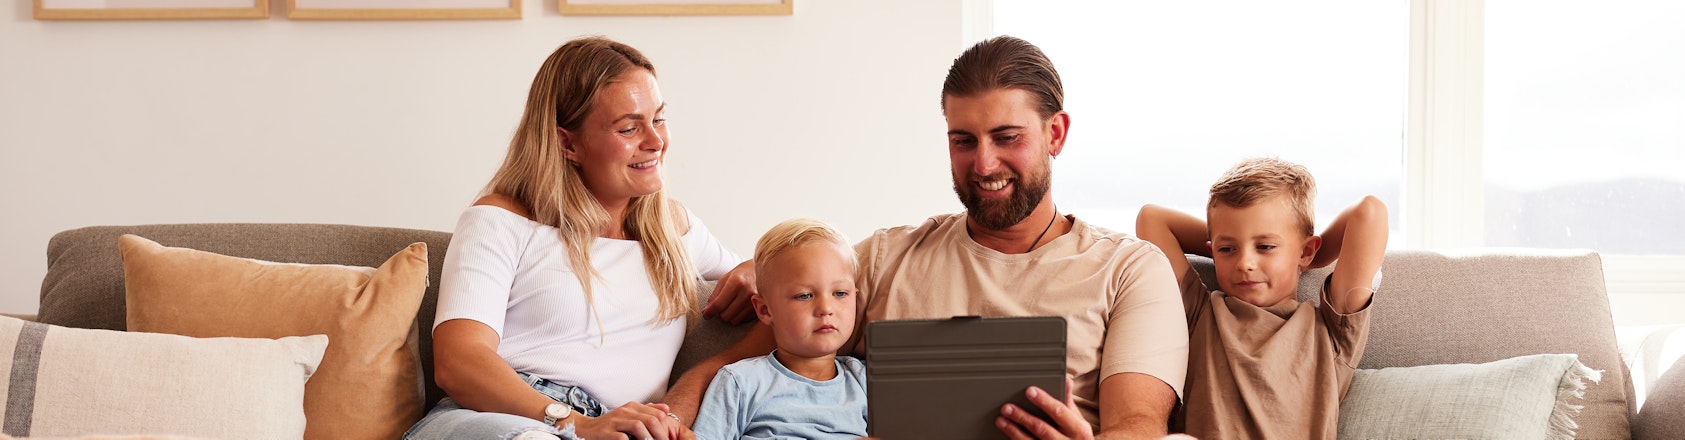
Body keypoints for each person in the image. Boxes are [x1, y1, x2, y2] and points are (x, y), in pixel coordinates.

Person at [674, 35, 1190, 440]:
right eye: (964, 141)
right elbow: (763, 341)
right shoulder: (882, 258)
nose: (984, 163)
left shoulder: (1129, 268)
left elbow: (1140, 425)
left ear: (1055, 134)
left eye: (1007, 138)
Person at [406, 36, 753, 440]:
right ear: (567, 143)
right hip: (498, 419)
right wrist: (576, 423)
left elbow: (782, 291)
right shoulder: (499, 220)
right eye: (629, 127)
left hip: (614, 428)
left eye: (658, 118)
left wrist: (758, 270)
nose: (656, 141)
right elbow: (459, 360)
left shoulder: (676, 230)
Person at [1134, 158, 1388, 439]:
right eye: (1229, 249)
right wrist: (1229, 250)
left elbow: (1370, 212)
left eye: (1265, 246)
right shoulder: (1200, 313)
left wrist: (1303, 259)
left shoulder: (1332, 332)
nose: (1245, 263)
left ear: (1306, 251)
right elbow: (1151, 219)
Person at [691, 218, 868, 440]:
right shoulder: (740, 382)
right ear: (765, 310)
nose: (825, 308)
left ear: (855, 298)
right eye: (804, 296)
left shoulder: (865, 381)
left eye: (840, 293)